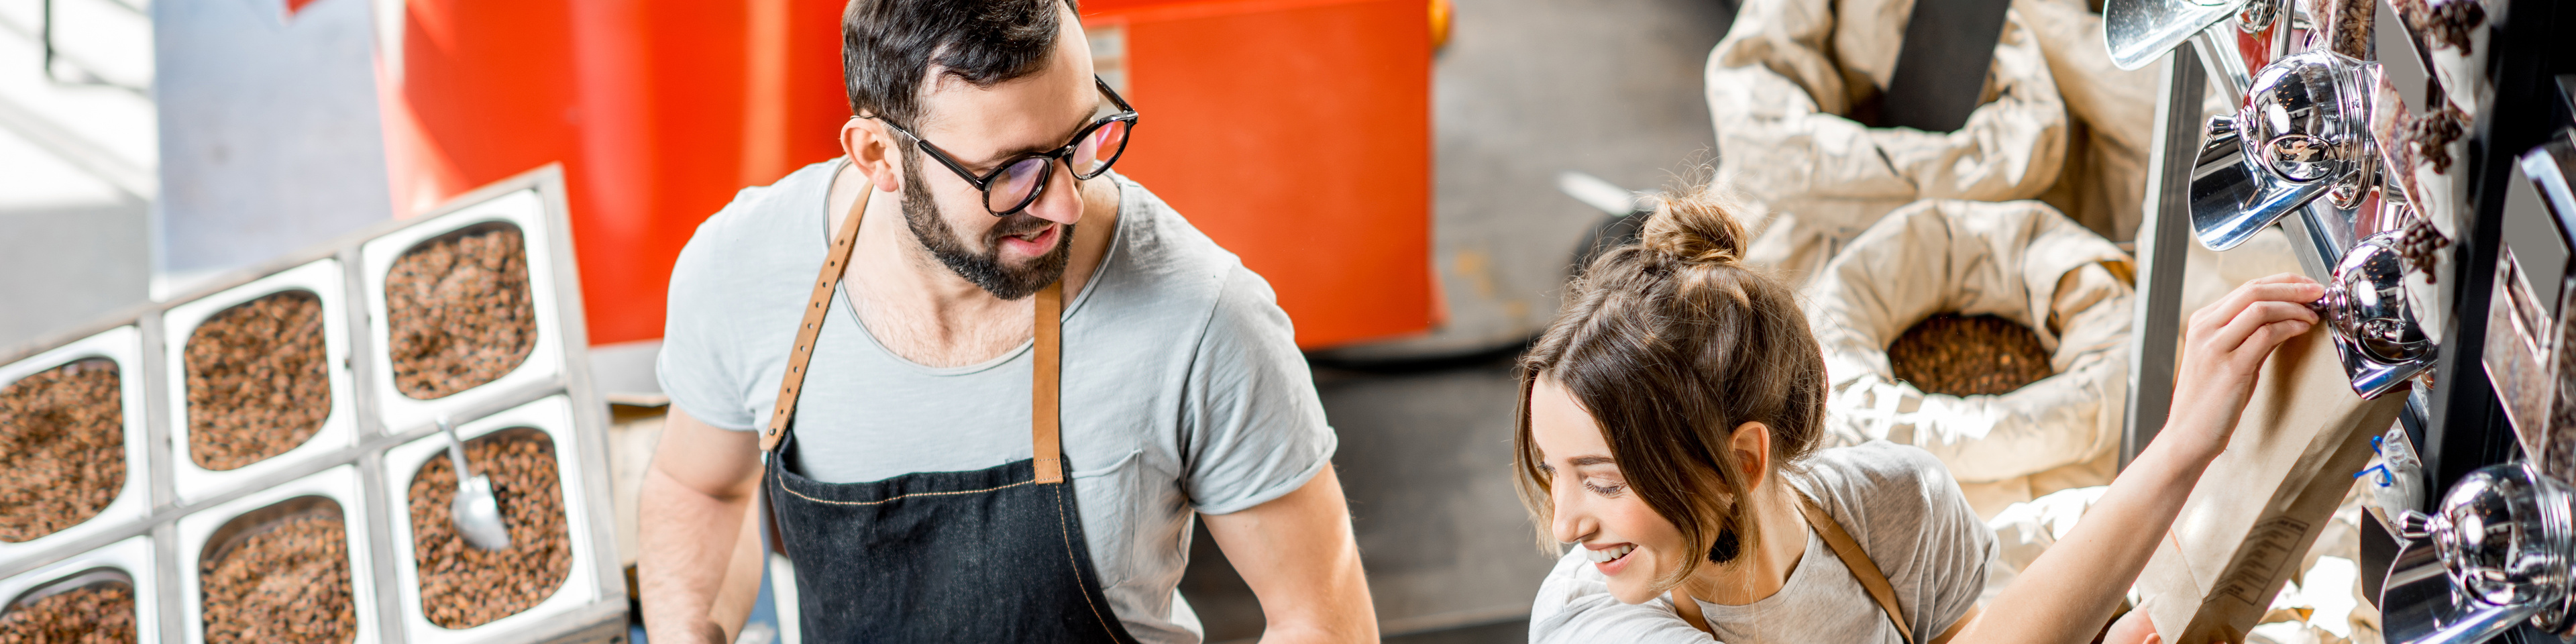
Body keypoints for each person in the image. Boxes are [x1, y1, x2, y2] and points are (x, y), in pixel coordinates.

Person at [635, 1, 1377, 642]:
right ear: (879, 156)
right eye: (1011, 173)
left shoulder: (1205, 320)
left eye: (1083, 138)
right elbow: (702, 487)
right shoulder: (743, 270)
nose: (1066, 203)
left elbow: (1322, 620)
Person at [1516, 182, 2323, 643]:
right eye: (1555, 475)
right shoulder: (1595, 624)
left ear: (1744, 462)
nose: (1566, 524)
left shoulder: (1894, 509)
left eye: (1602, 481)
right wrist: (2180, 449)